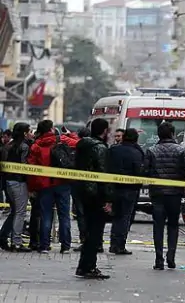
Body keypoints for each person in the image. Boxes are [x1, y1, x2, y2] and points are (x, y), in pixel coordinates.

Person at [146, 122, 185, 270]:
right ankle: (171, 257)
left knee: (158, 226)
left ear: (159, 134)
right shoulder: (181, 151)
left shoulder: (151, 151)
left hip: (157, 194)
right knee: (173, 225)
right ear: (173, 134)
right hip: (175, 194)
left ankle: (158, 260)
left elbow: (144, 171)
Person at [27, 120, 79, 254]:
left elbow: (31, 169)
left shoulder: (36, 146)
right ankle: (65, 246)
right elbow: (79, 143)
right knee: (64, 215)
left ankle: (44, 245)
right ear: (51, 129)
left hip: (44, 185)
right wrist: (70, 134)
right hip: (63, 183)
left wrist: (32, 188)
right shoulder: (61, 139)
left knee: (46, 215)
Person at [75, 118, 113, 279]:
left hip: (82, 191)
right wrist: (109, 200)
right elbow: (104, 175)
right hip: (96, 194)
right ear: (104, 131)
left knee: (90, 232)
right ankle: (88, 267)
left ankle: (84, 266)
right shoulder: (100, 148)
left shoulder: (82, 145)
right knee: (95, 234)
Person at [107, 128, 145, 255]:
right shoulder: (137, 152)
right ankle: (120, 245)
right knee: (125, 218)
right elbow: (139, 171)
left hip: (114, 187)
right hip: (130, 189)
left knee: (117, 216)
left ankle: (113, 244)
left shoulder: (114, 150)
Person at [0, 123, 32, 252]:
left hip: (8, 182)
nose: (31, 133)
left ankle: (4, 236)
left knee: (14, 211)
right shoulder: (24, 147)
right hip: (19, 182)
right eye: (29, 131)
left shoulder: (8, 146)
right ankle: (16, 242)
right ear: (24, 133)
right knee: (20, 212)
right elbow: (25, 166)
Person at [72, 127, 91, 252]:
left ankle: (84, 240)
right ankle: (93, 240)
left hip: (78, 185)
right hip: (92, 186)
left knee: (81, 215)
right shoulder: (97, 148)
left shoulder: (76, 149)